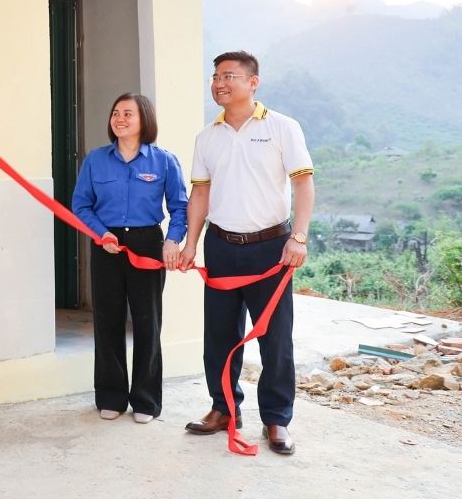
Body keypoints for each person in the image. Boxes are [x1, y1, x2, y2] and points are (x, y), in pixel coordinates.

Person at [179, 50, 314, 455]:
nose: (219, 83)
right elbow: (199, 193)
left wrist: (299, 238)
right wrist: (190, 244)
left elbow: (303, 185)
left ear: (253, 82)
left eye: (229, 76)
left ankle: (276, 419)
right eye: (216, 76)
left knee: (275, 339)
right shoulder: (208, 136)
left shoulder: (281, 128)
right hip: (221, 246)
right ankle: (223, 409)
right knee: (219, 336)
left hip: (271, 248)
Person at [71, 93, 187, 424]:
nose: (119, 118)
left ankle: (146, 401)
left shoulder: (164, 161)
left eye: (128, 113)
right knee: (107, 320)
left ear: (144, 120)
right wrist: (100, 234)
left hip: (147, 244)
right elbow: (81, 205)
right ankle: (111, 396)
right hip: (106, 244)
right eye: (115, 113)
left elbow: (180, 206)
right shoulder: (96, 160)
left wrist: (173, 241)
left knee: (147, 322)